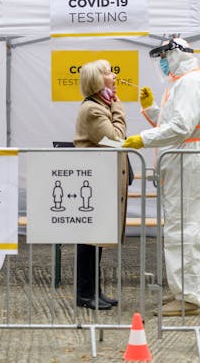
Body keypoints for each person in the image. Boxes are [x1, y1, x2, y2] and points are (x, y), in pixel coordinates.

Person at [123, 37, 200, 317]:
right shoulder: (181, 82)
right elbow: (170, 123)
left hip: (187, 161)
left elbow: (181, 127)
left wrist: (141, 139)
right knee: (180, 228)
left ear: (175, 53)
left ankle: (188, 297)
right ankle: (183, 292)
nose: (161, 62)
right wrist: (150, 110)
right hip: (182, 161)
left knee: (182, 230)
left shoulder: (190, 83)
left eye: (163, 55)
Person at [72, 60, 128, 310]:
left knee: (97, 239)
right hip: (93, 179)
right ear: (96, 81)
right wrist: (118, 107)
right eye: (107, 72)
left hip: (100, 179)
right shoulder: (93, 110)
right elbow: (116, 139)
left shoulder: (101, 105)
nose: (113, 75)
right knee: (88, 239)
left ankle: (95, 291)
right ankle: (85, 294)